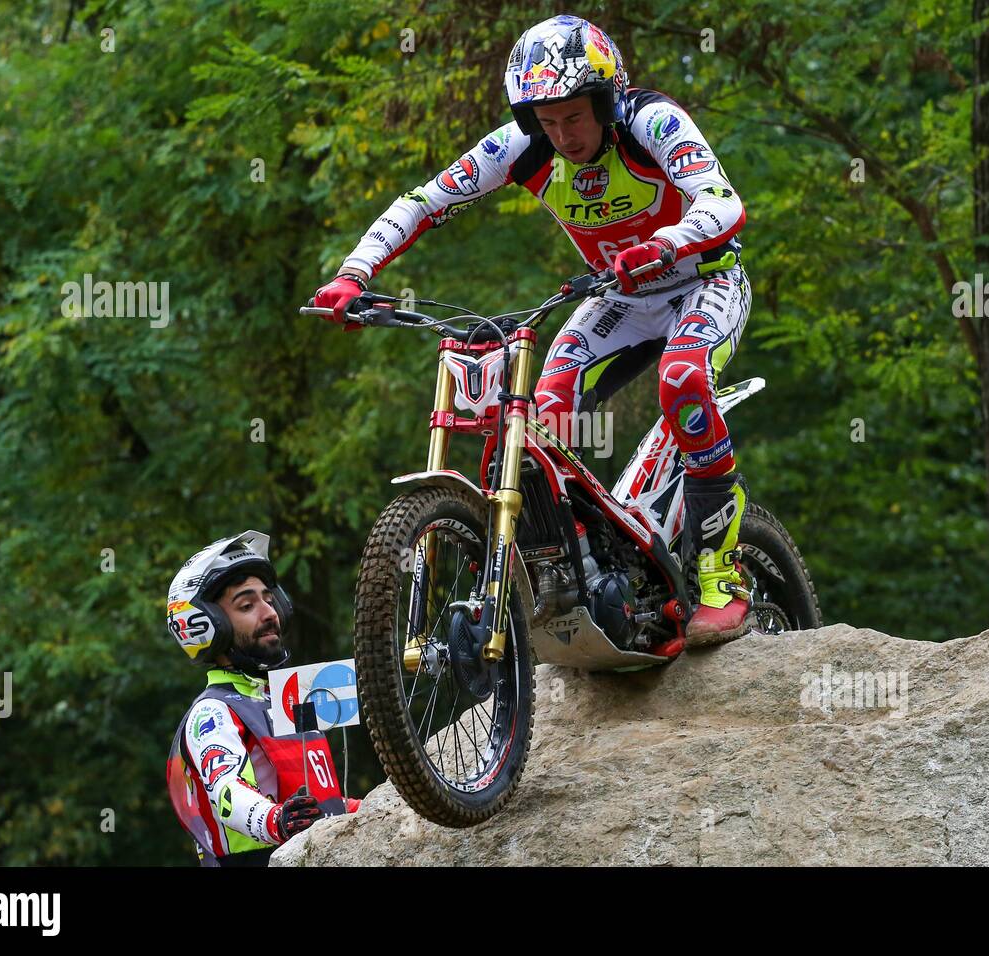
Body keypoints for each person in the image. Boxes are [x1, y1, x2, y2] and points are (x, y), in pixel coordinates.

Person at [314, 15, 754, 646]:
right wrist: (353, 274)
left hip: (704, 281)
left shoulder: (652, 121)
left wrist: (666, 243)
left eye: (574, 117)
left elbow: (724, 203)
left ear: (605, 101)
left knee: (681, 380)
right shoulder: (523, 148)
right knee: (539, 418)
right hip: (619, 296)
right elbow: (426, 201)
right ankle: (578, 561)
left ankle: (721, 573)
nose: (562, 134)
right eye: (546, 122)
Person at [165, 530, 360, 867]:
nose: (269, 612)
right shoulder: (213, 711)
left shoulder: (288, 697)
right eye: (247, 605)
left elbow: (318, 802)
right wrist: (275, 820)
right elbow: (226, 791)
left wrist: (374, 806)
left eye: (269, 598)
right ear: (208, 626)